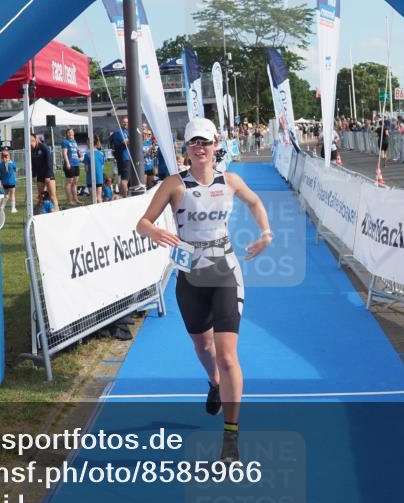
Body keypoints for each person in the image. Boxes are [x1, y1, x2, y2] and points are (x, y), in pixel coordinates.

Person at [136, 117, 272, 464]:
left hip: (225, 270)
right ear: (186, 148)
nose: (200, 148)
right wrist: (153, 232)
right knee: (203, 344)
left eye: (205, 142)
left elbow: (255, 203)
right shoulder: (173, 185)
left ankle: (231, 436)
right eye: (193, 142)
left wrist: (266, 233)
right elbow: (143, 222)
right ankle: (213, 383)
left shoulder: (230, 181)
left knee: (228, 355)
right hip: (189, 274)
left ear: (216, 146)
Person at [30, 133, 58, 214]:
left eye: (32, 141)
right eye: (29, 142)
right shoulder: (31, 151)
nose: (31, 143)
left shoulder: (44, 148)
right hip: (39, 176)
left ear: (36, 140)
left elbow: (49, 162)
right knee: (41, 197)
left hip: (48, 175)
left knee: (52, 196)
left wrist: (48, 175)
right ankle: (41, 214)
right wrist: (34, 175)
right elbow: (33, 164)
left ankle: (56, 212)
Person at [109, 116, 131, 198]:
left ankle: (122, 196)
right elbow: (125, 142)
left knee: (125, 178)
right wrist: (135, 135)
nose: (125, 123)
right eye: (124, 122)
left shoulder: (126, 132)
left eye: (127, 122)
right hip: (124, 158)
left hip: (125, 158)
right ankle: (124, 197)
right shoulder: (119, 132)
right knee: (125, 179)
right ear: (120, 123)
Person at [61, 128, 81, 207]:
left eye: (72, 132)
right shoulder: (65, 142)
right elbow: (65, 153)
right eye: (69, 132)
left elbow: (76, 151)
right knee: (69, 182)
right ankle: (70, 200)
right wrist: (67, 163)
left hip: (76, 164)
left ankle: (76, 199)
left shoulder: (74, 141)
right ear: (66, 134)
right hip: (70, 164)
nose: (71, 134)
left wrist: (79, 154)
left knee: (75, 182)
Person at [83, 135, 106, 203]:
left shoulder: (87, 154)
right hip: (99, 178)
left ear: (88, 142)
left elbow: (86, 169)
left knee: (94, 198)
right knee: (99, 198)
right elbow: (102, 167)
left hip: (90, 178)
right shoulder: (101, 154)